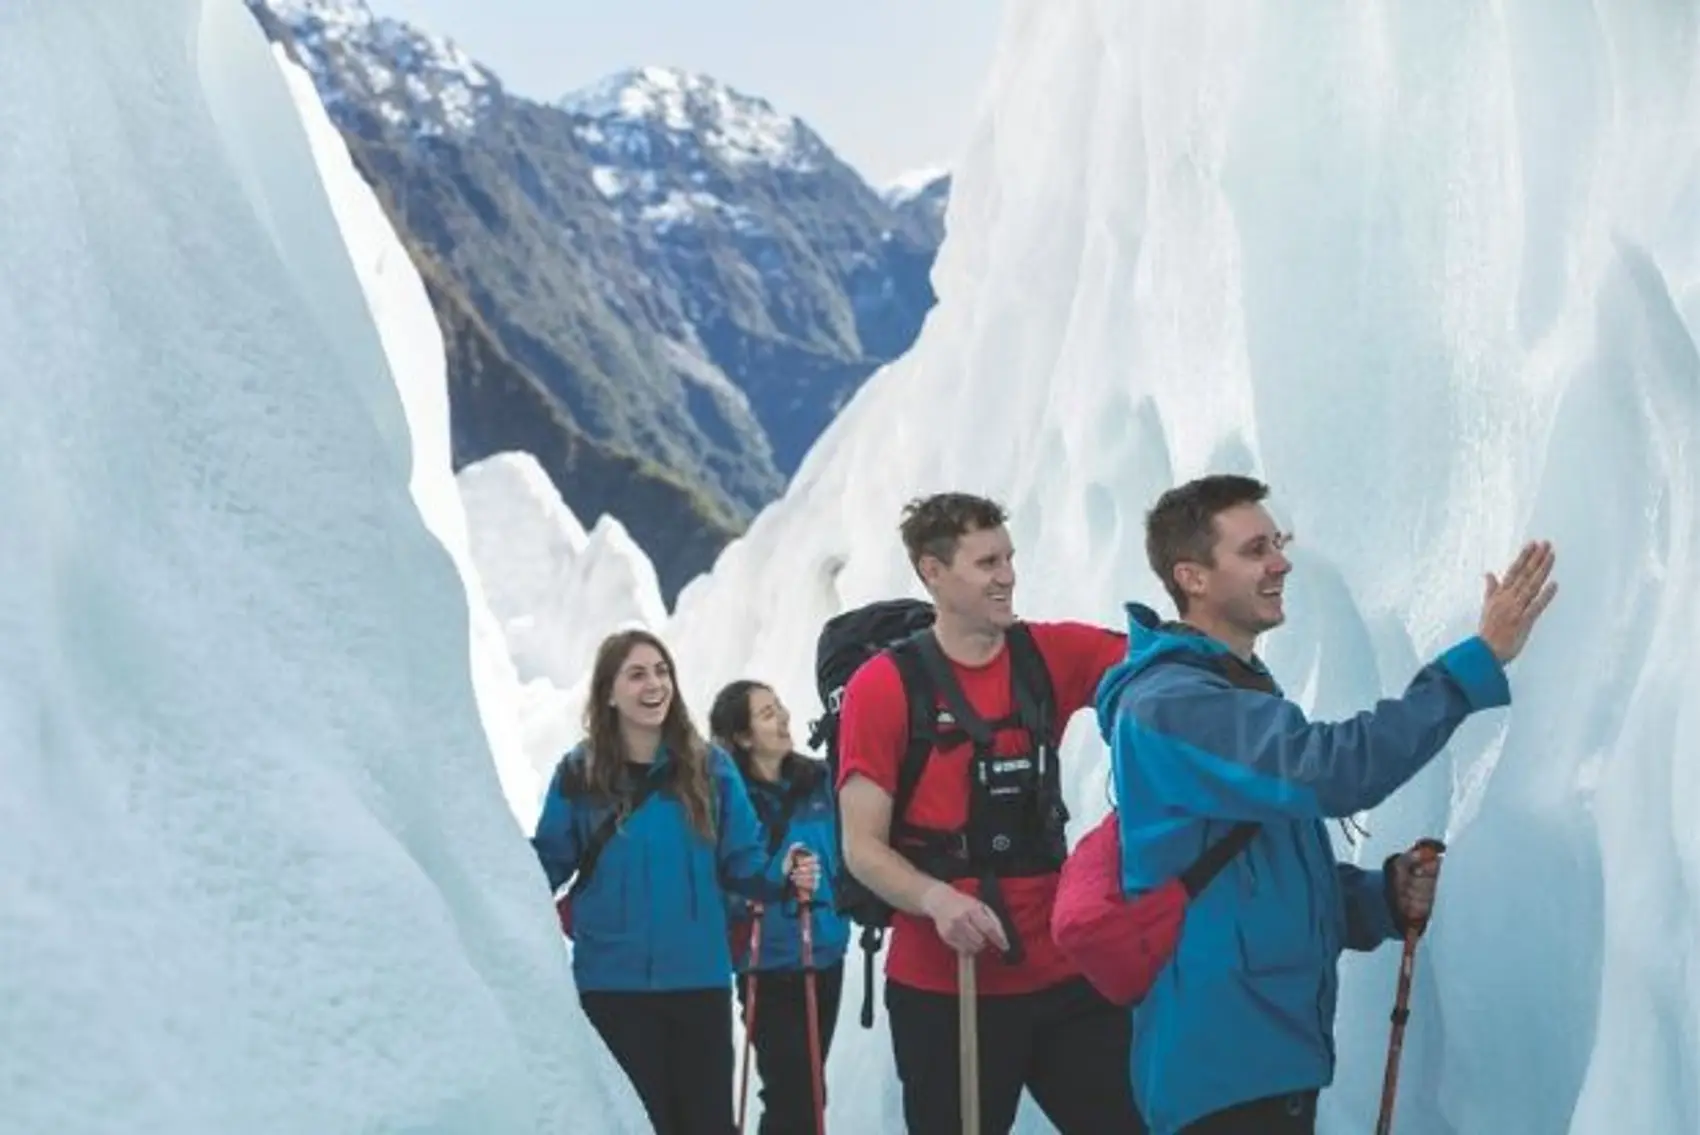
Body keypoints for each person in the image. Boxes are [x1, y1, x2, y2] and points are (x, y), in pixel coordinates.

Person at [1095, 474, 1558, 1134]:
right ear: (1192, 576)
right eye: (1255, 548)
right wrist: (1474, 665)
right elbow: (1336, 770)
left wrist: (1378, 898)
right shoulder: (1174, 708)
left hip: (1266, 1062)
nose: (1281, 560)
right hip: (1223, 1071)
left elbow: (1257, 882)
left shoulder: (1232, 693)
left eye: (1277, 541)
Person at [835, 491, 1148, 1135]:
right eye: (986, 563)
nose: (1007, 575)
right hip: (944, 989)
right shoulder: (884, 687)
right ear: (932, 572)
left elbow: (1159, 670)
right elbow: (861, 847)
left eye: (1009, 557)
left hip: (1065, 973)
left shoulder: (1048, 656)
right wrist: (938, 901)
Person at [531, 629, 819, 1135]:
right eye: (637, 673)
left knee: (705, 1125)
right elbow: (546, 865)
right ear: (609, 692)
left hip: (698, 983)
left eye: (662, 671)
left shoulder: (711, 769)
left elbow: (744, 863)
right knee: (636, 1124)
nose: (654, 684)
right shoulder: (580, 773)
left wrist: (785, 870)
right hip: (610, 987)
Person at [710, 679, 850, 1135]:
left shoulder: (820, 781)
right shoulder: (725, 800)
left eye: (780, 706)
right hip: (764, 967)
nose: (784, 717)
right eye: (768, 714)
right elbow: (720, 877)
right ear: (743, 737)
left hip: (823, 954)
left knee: (807, 1089)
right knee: (796, 1096)